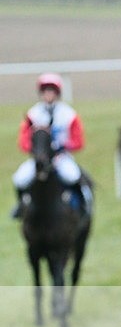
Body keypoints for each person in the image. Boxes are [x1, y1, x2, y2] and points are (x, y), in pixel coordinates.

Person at [11, 73, 93, 218]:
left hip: (61, 157)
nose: (48, 94)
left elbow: (78, 140)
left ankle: (84, 205)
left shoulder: (68, 114)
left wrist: (64, 146)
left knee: (72, 175)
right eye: (45, 91)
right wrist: (36, 150)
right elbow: (23, 140)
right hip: (39, 157)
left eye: (51, 91)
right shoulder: (33, 114)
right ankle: (20, 206)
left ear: (57, 93)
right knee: (20, 178)